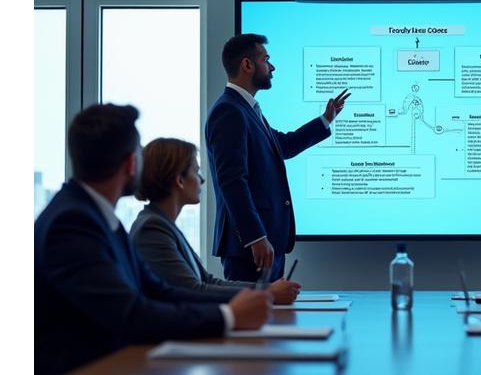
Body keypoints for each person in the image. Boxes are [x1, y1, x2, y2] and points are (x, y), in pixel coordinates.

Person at [34, 104, 271, 375]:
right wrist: (228, 316)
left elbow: (159, 290)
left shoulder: (94, 216)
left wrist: (242, 303)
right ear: (131, 163)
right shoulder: (73, 223)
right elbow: (132, 315)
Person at [207, 33, 349, 283]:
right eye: (266, 59)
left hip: (267, 244)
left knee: (273, 318)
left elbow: (283, 146)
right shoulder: (229, 111)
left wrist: (325, 120)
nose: (272, 67)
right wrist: (255, 237)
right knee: (256, 320)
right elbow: (232, 181)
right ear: (247, 65)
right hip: (251, 249)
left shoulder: (247, 110)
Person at [131, 138, 301, 303]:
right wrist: (268, 292)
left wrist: (267, 289)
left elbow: (208, 282)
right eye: (195, 171)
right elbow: (193, 290)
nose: (202, 180)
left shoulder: (163, 224)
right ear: (180, 180)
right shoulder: (152, 228)